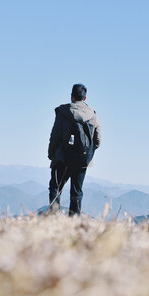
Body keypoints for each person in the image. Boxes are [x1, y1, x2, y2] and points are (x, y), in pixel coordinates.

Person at [47, 84, 102, 216]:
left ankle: (54, 218)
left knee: (56, 188)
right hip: (82, 159)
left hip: (62, 157)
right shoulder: (92, 115)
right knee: (76, 192)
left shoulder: (63, 112)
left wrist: (51, 154)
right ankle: (74, 221)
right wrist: (88, 152)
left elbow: (55, 136)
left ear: (72, 96)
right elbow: (98, 140)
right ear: (85, 98)